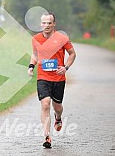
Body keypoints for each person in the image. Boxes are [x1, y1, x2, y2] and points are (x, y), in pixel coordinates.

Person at [28, 12, 76, 148]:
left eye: (49, 23)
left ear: (54, 24)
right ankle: (47, 136)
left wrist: (66, 67)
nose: (46, 25)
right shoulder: (36, 38)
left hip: (58, 78)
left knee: (57, 107)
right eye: (44, 23)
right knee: (45, 104)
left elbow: (72, 54)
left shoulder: (62, 38)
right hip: (43, 77)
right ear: (40, 24)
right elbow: (35, 54)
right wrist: (31, 66)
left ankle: (58, 117)